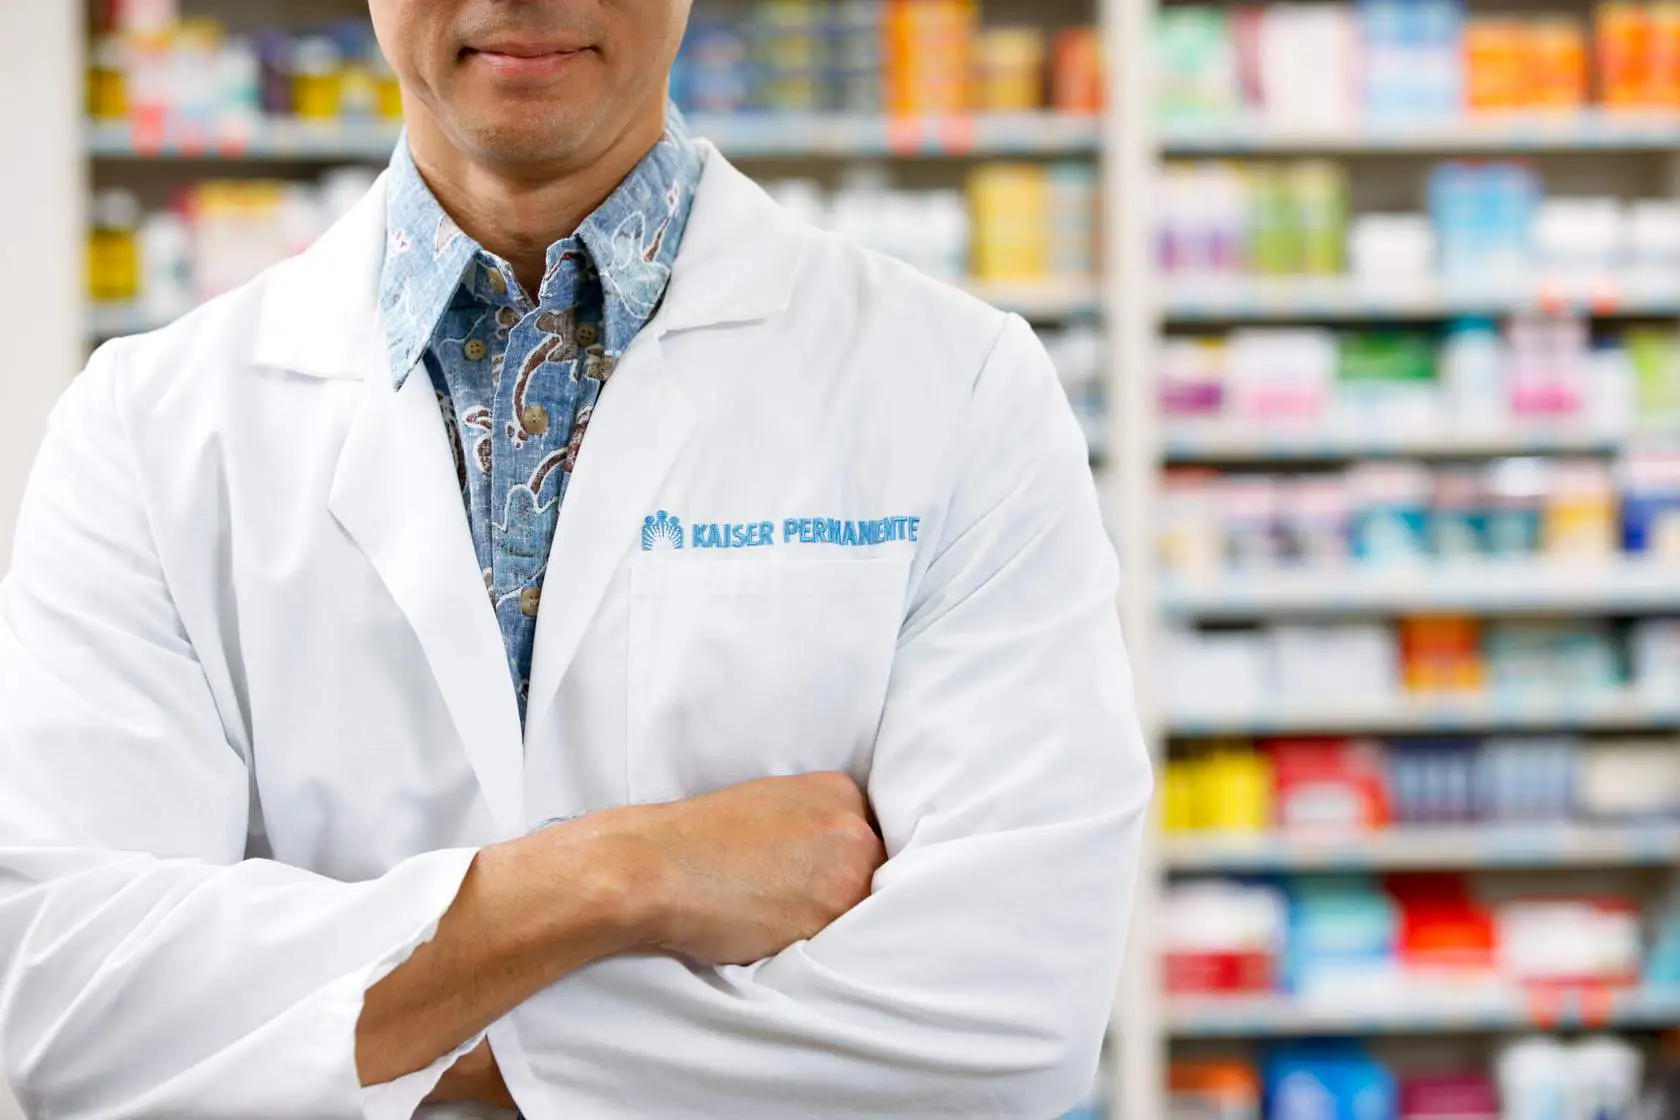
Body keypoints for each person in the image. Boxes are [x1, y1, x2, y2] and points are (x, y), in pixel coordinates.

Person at [0, 0, 1151, 1115]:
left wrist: (345, 1030)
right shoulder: (146, 425)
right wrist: (621, 878)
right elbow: (70, 1008)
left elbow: (1007, 1013)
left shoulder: (955, 385)